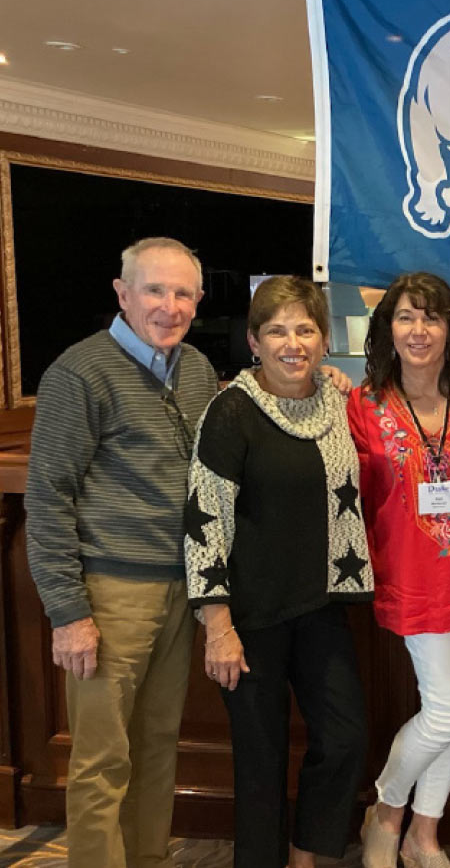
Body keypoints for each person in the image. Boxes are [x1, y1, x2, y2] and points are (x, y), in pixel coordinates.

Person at [25, 237, 218, 868]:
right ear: (123, 293)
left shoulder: (195, 370)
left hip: (178, 591)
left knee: (159, 745)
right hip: (108, 597)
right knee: (102, 760)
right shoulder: (79, 372)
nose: (169, 305)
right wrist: (68, 613)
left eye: (183, 292)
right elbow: (47, 498)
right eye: (155, 290)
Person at [183, 275, 372, 868]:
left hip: (321, 604)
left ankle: (307, 855)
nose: (293, 342)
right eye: (277, 330)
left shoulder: (339, 401)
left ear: (322, 340)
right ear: (254, 340)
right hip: (250, 616)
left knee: (345, 738)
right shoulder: (230, 411)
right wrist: (217, 625)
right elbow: (203, 520)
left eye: (305, 329)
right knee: (260, 760)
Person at [352, 272, 450, 868]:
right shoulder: (363, 402)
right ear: (387, 329)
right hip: (414, 578)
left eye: (433, 317)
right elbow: (361, 496)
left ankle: (424, 836)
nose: (419, 330)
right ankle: (387, 813)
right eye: (406, 317)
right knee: (448, 710)